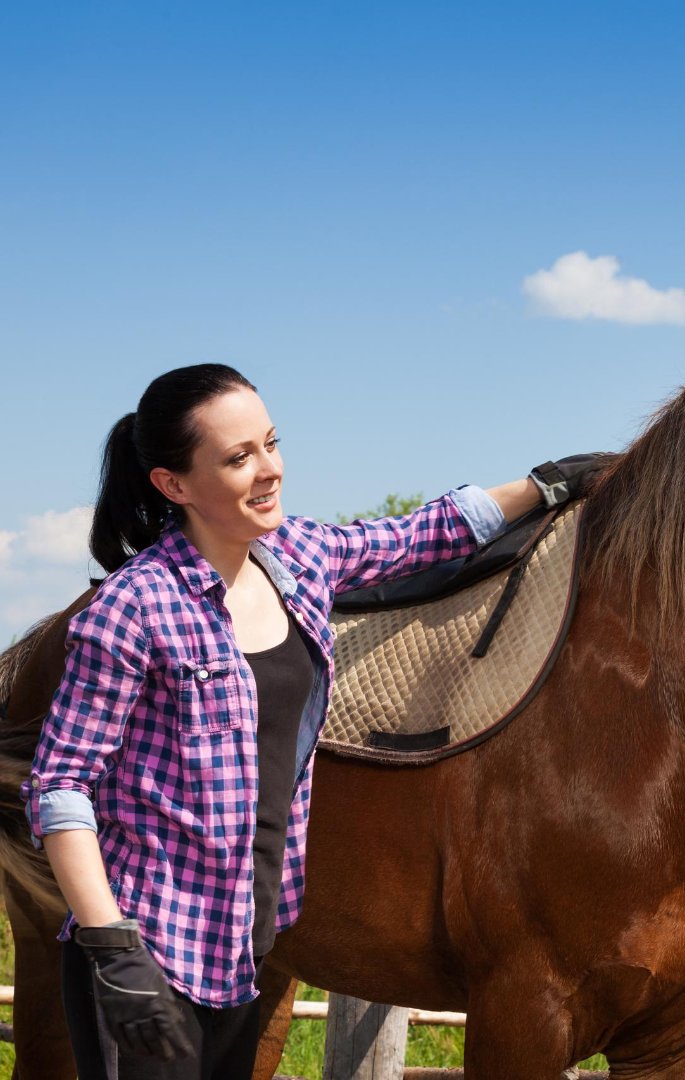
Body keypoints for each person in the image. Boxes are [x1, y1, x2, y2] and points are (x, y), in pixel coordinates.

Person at [22, 363, 595, 1080]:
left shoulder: (298, 558)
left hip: (243, 943)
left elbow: (419, 535)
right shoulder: (132, 609)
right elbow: (61, 787)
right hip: (149, 953)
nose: (269, 470)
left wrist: (545, 484)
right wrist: (112, 947)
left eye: (271, 443)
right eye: (238, 457)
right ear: (174, 485)